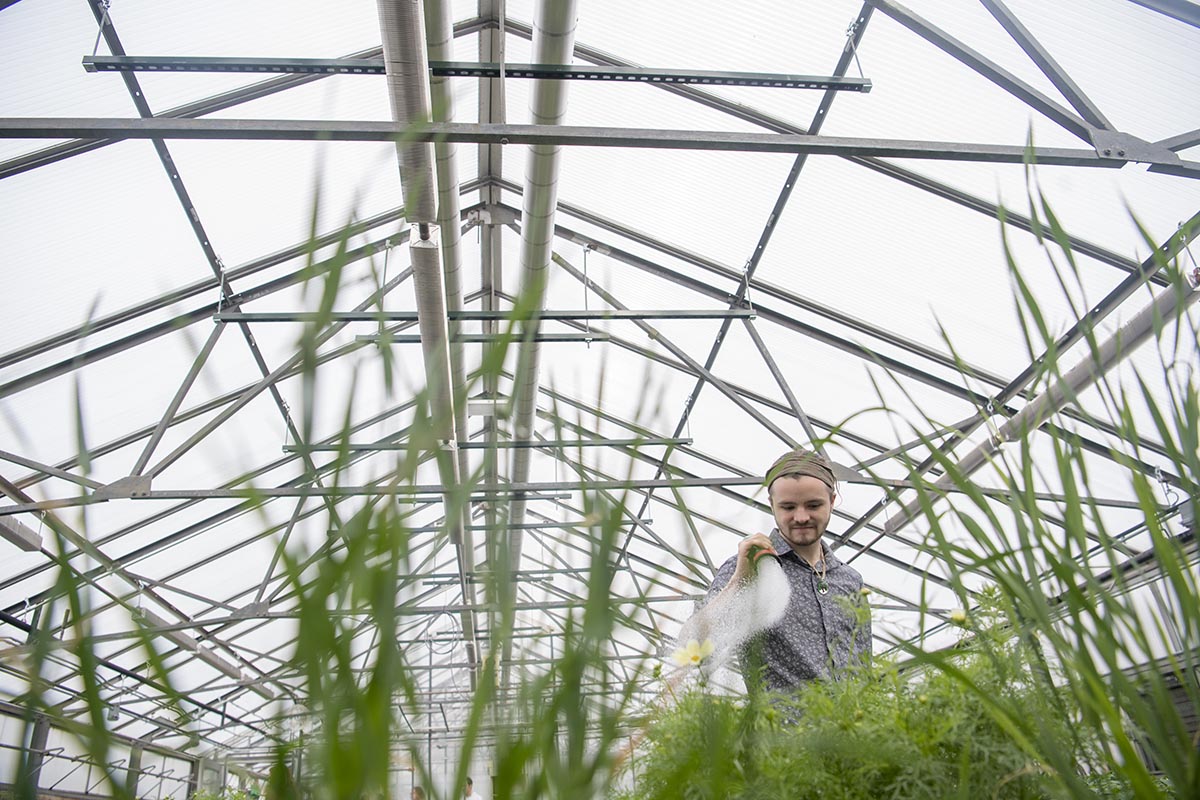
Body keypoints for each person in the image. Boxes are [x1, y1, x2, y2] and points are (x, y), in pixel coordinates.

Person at [704, 448, 871, 692]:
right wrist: (740, 580)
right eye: (788, 507)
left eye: (813, 505)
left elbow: (864, 665)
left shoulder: (849, 580)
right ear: (772, 505)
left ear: (832, 501)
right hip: (781, 717)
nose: (801, 517)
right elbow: (698, 644)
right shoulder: (752, 566)